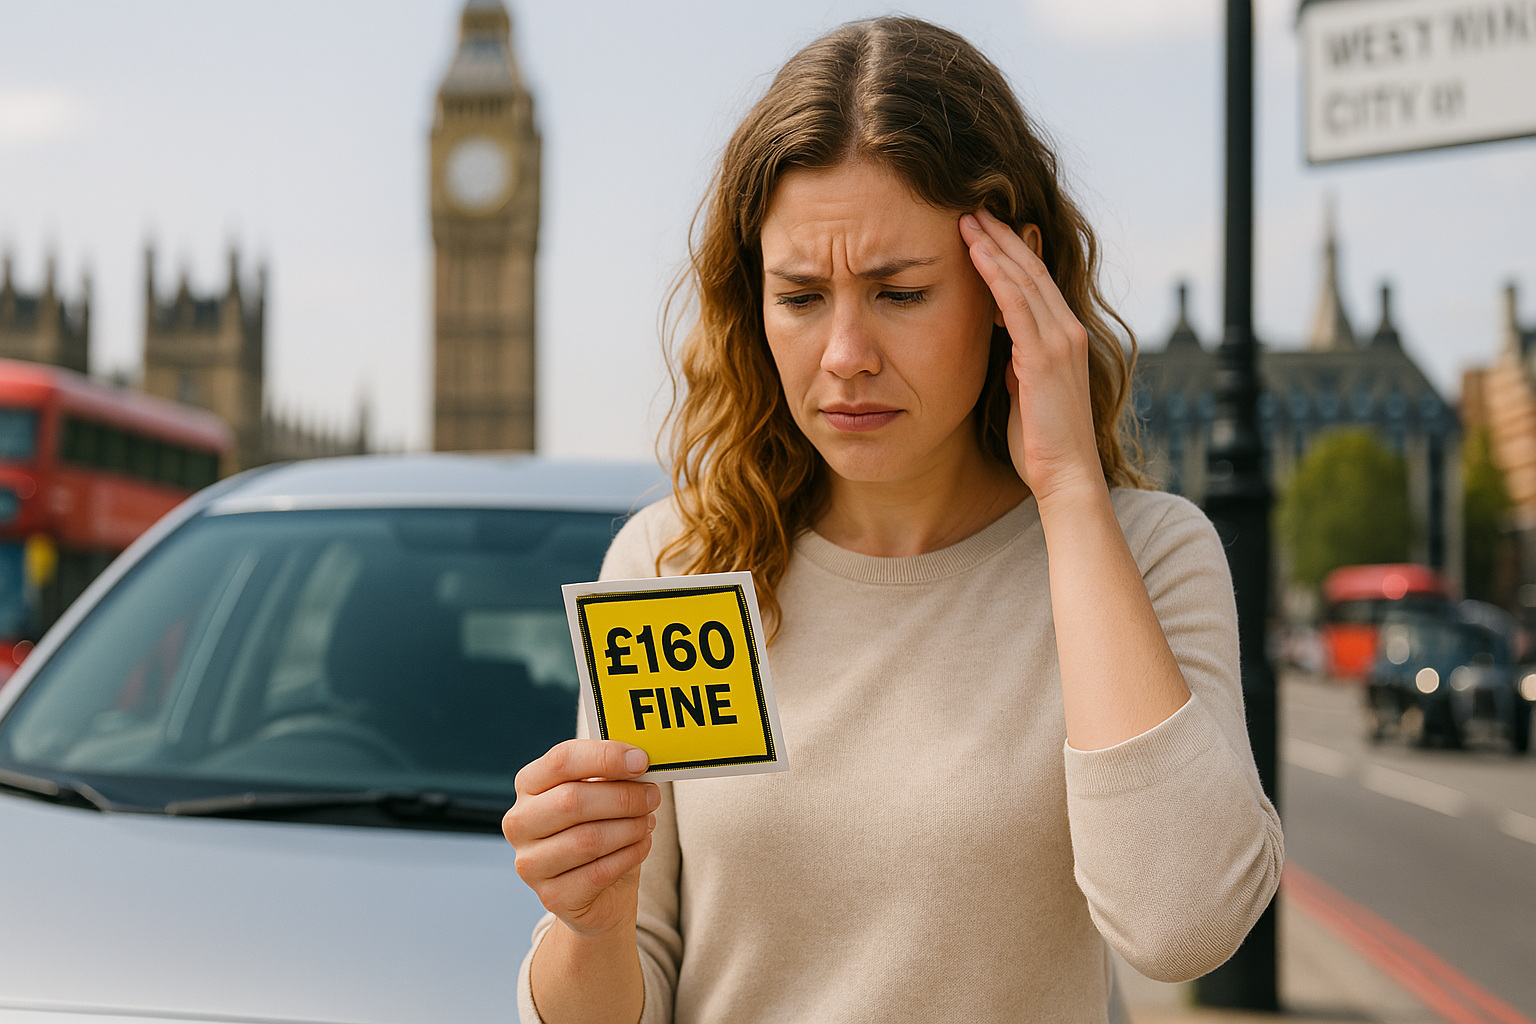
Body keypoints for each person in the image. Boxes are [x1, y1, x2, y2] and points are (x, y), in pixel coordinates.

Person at [503, 16, 1282, 1024]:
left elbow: (1182, 926)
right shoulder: (677, 561)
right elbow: (627, 987)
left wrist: (1071, 489)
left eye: (899, 292)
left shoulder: (1148, 553)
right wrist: (590, 925)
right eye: (800, 296)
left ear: (1012, 282)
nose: (844, 354)